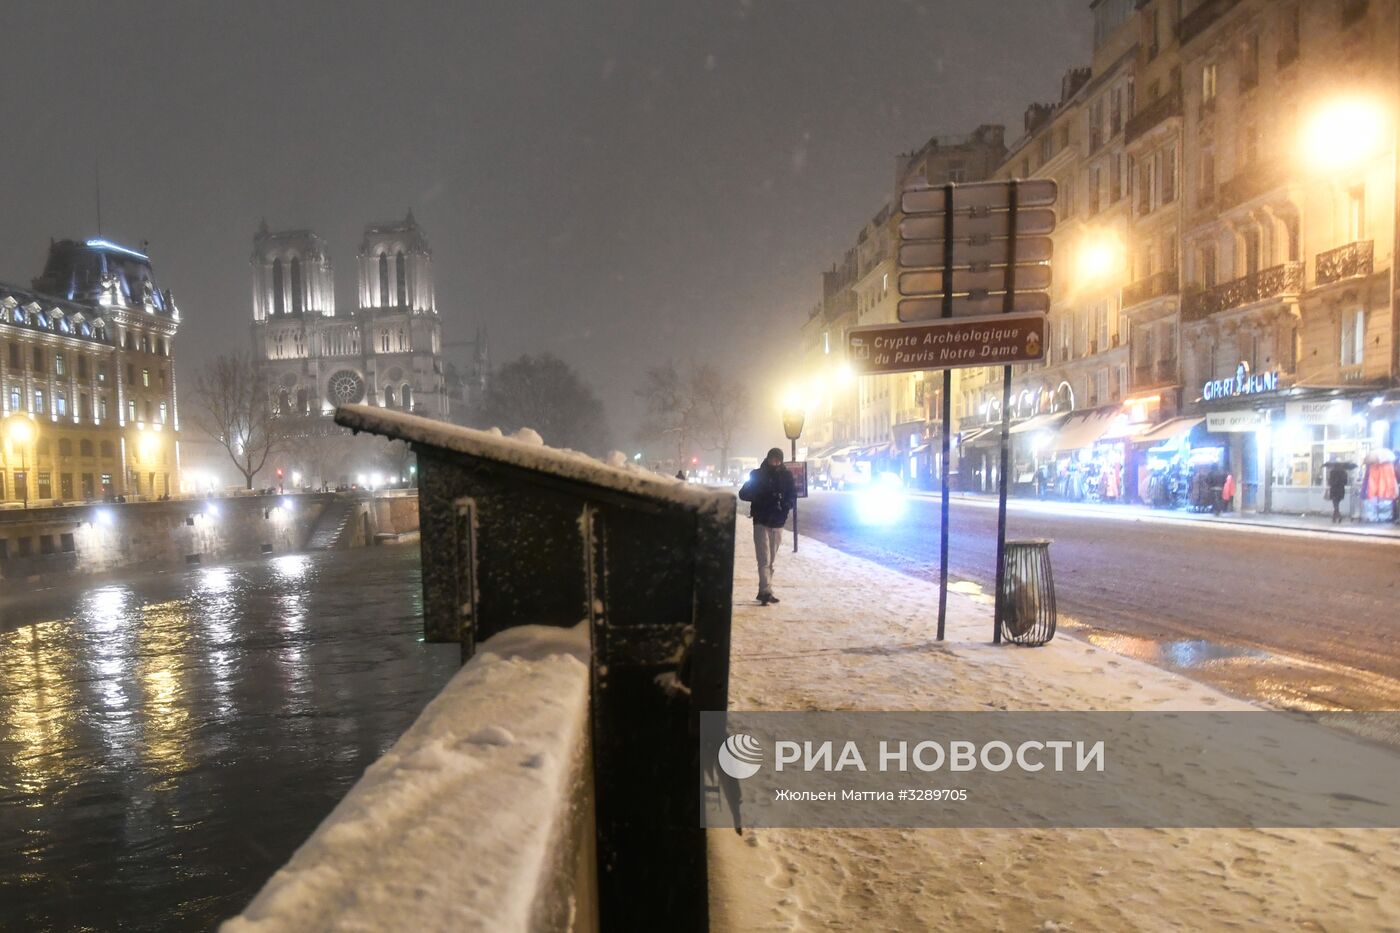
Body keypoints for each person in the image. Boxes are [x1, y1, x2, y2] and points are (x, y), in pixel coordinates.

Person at [738, 447, 796, 605]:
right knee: (764, 558)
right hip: (761, 520)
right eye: (773, 459)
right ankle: (765, 591)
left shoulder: (786, 476)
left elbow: (792, 495)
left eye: (778, 459)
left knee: (771, 560)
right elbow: (743, 493)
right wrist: (760, 496)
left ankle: (766, 589)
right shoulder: (757, 475)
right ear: (768, 458)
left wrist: (785, 504)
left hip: (777, 521)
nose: (775, 462)